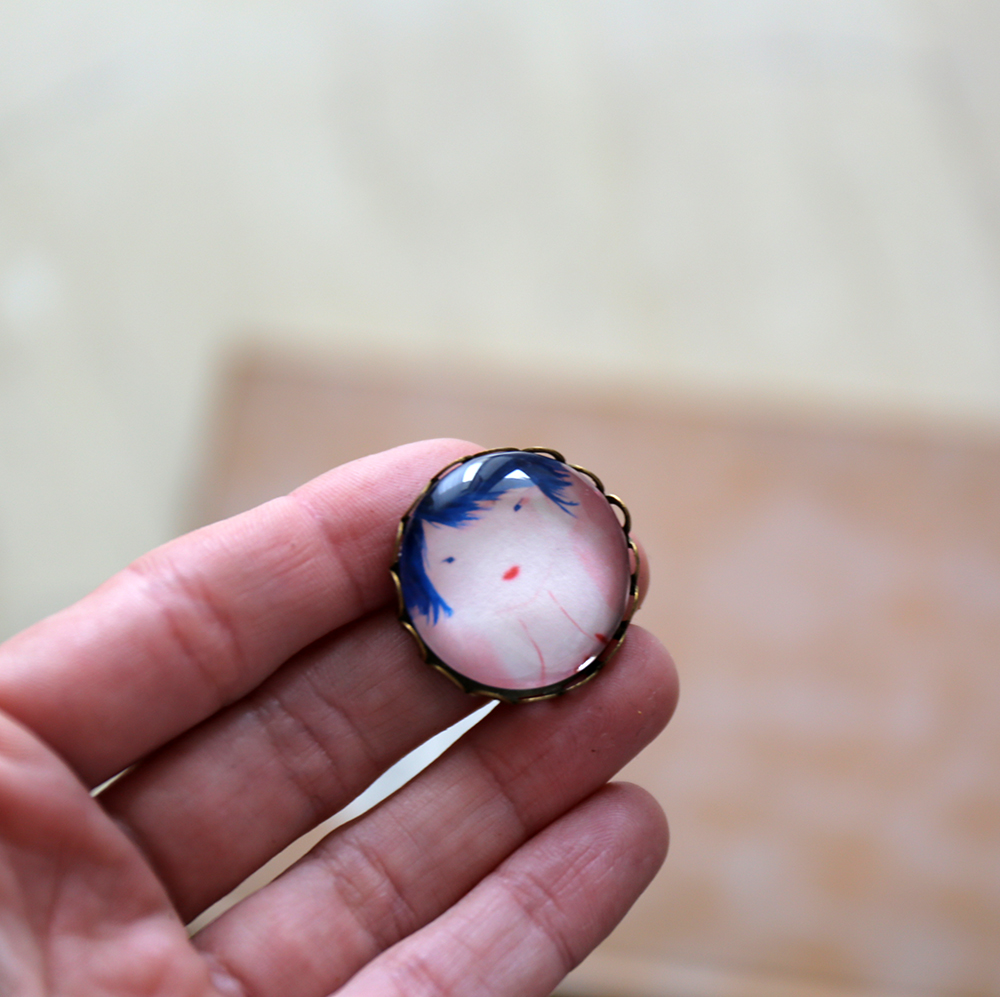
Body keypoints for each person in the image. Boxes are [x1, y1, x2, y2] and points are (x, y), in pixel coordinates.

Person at [0, 439, 678, 997]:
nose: (504, 568)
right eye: (450, 558)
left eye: (522, 517)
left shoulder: (566, 623)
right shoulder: (487, 633)